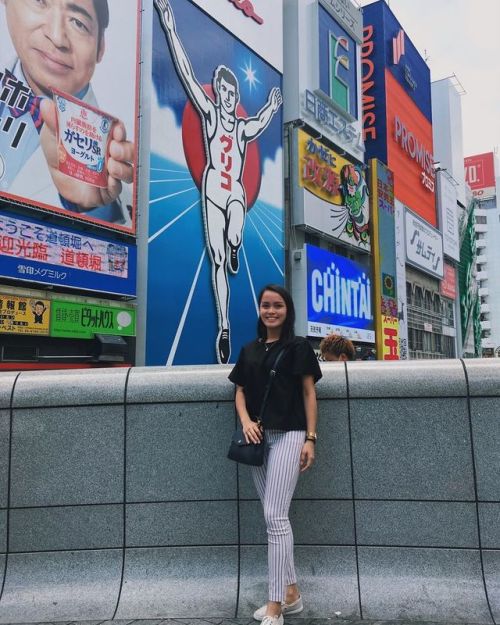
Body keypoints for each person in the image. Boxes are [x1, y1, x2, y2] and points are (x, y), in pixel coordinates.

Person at [155, 0, 282, 364]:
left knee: (234, 234)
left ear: (236, 97)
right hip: (213, 190)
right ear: (219, 94)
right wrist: (169, 27)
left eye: (231, 94)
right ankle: (224, 325)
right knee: (215, 261)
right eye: (223, 92)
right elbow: (185, 73)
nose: (226, 97)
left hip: (235, 192)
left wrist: (272, 108)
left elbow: (258, 123)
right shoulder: (209, 114)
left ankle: (236, 244)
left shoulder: (240, 128)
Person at [229, 284, 322, 625]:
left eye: (278, 305)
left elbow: (309, 393)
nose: (271, 311)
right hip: (257, 438)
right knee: (273, 518)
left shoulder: (298, 347)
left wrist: (311, 438)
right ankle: (292, 593)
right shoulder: (249, 349)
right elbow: (239, 392)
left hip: (291, 435)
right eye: (266, 305)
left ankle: (275, 604)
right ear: (259, 309)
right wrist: (246, 422)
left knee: (275, 516)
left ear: (287, 310)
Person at [0, 0, 134, 225]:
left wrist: (90, 209)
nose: (56, 37)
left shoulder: (115, 165)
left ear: (101, 47)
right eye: (40, 2)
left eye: (78, 23)